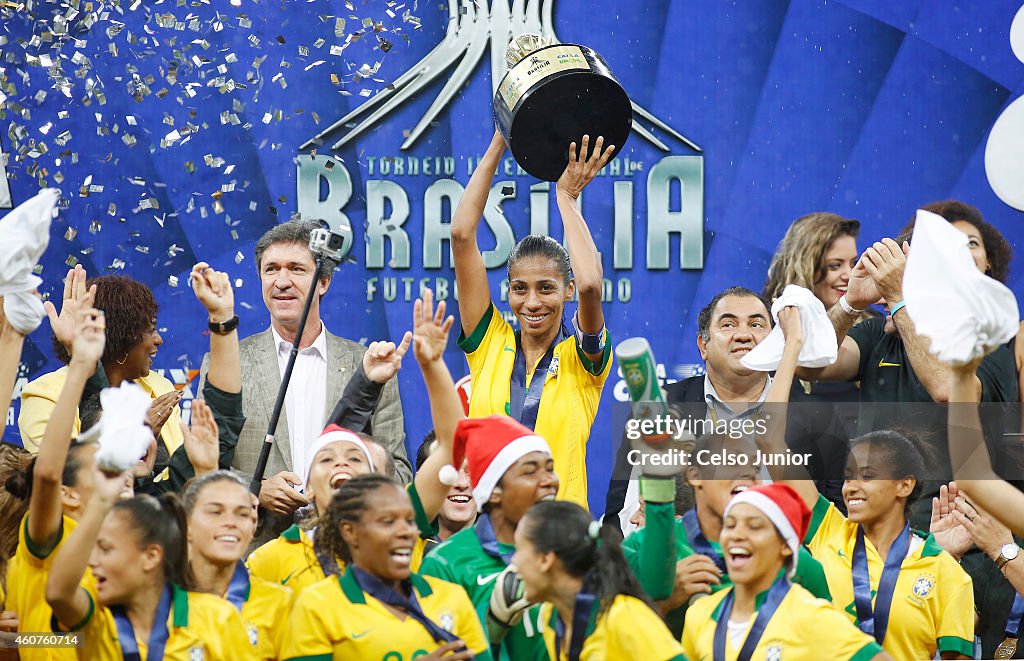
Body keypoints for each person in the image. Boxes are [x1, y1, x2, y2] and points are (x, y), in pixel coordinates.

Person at [772, 306, 975, 660]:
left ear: (905, 485)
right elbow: (770, 442)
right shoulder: (827, 530)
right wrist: (792, 347)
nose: (851, 487)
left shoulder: (945, 570)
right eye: (849, 475)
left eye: (867, 476)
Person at [202, 218, 411, 545]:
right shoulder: (226, 362)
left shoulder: (368, 366)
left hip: (345, 552)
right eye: (271, 269)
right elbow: (202, 468)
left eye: (296, 269)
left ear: (324, 281)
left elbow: (398, 473)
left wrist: (340, 487)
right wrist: (256, 487)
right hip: (252, 552)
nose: (281, 281)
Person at [247, 290, 459, 597]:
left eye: (355, 458)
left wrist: (433, 366)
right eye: (327, 459)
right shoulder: (270, 560)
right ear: (308, 487)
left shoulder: (401, 526)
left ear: (376, 482)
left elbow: (451, 448)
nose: (341, 463)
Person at [452, 131, 614, 508]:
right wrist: (499, 141)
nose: (532, 302)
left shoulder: (584, 360)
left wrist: (566, 198)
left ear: (567, 291)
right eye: (520, 289)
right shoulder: (489, 342)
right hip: (490, 529)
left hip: (560, 536)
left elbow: (591, 284)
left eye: (546, 287)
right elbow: (462, 236)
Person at [605, 286, 848, 523]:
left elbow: (836, 523)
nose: (743, 335)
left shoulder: (818, 416)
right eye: (728, 324)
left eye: (756, 324)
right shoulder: (663, 409)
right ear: (703, 346)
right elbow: (619, 515)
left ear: (776, 341)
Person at [622, 432, 832, 638]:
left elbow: (829, 644)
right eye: (732, 461)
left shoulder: (790, 558)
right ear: (695, 476)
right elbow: (610, 641)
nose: (749, 472)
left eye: (756, 468)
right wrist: (663, 603)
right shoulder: (641, 547)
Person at [45, 474, 255, 660]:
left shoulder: (217, 616)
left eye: (106, 549)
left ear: (151, 556)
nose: (92, 561)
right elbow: (56, 595)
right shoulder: (99, 620)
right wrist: (14, 642)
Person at [282, 475, 491, 660]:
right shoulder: (316, 606)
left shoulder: (452, 597)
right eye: (387, 522)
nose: (405, 532)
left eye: (410, 521)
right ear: (350, 532)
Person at [681, 484, 890, 661]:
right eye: (730, 525)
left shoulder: (811, 616)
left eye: (754, 526)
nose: (737, 535)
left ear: (786, 545)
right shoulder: (699, 614)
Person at [5, 300, 105, 661]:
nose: (116, 477)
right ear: (68, 495)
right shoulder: (47, 541)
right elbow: (48, 473)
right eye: (103, 471)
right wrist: (78, 367)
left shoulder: (124, 544)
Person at [20, 268, 184, 481]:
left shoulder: (160, 387)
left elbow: (182, 481)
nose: (159, 340)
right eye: (151, 330)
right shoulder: (46, 396)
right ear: (124, 338)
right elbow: (65, 481)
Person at [419, 415, 559, 660]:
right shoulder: (445, 563)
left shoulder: (571, 550)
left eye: (549, 469)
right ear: (493, 491)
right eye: (530, 472)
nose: (549, 481)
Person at [512, 500, 685, 661]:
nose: (514, 562)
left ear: (546, 559)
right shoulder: (550, 615)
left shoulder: (625, 617)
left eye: (519, 550)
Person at [183, 470, 291, 660]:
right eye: (215, 512)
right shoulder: (159, 601)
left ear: (253, 524)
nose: (230, 523)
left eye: (242, 514)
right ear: (186, 524)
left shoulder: (280, 603)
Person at [763, 212, 861, 310]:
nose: (850, 275)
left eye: (853, 264)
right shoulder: (770, 321)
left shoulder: (870, 322)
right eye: (835, 265)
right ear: (803, 267)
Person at [416, 431, 476, 546]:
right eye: (449, 471)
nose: (462, 483)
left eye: (471, 471)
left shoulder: (510, 553)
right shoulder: (402, 551)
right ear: (421, 482)